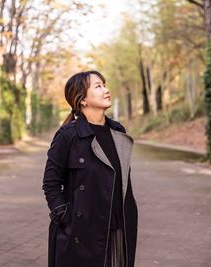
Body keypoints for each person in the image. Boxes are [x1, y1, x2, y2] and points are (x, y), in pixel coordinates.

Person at [42, 70, 138, 267]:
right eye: (98, 86)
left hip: (120, 229)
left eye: (104, 84)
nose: (106, 89)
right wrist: (66, 218)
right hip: (83, 231)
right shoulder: (68, 135)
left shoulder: (118, 132)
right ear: (82, 100)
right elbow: (51, 183)